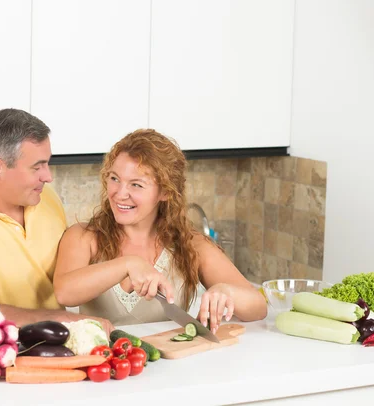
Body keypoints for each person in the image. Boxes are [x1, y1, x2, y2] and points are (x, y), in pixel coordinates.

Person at [53, 129, 267, 333]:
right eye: (114, 178)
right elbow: (64, 292)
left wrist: (227, 292)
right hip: (107, 366)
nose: (119, 194)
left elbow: (259, 306)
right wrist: (128, 264)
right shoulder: (84, 236)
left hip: (169, 366)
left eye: (136, 185)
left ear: (164, 192)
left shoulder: (191, 244)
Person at [0, 108, 113, 332]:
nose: (48, 176)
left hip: (53, 351)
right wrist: (62, 320)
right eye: (37, 167)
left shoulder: (46, 198)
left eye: (47, 163)